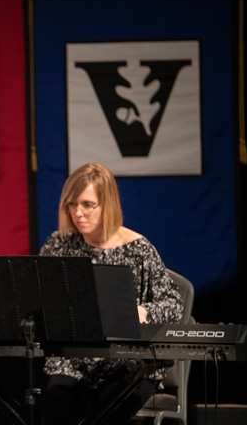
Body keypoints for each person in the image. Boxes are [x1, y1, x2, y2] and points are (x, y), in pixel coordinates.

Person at [39, 163, 183, 425]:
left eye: (87, 204)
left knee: (108, 414)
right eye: (72, 205)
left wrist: (145, 311)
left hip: (128, 365)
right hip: (74, 362)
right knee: (56, 405)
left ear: (107, 205)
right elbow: (40, 296)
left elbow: (174, 305)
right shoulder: (58, 245)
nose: (78, 213)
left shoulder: (139, 249)